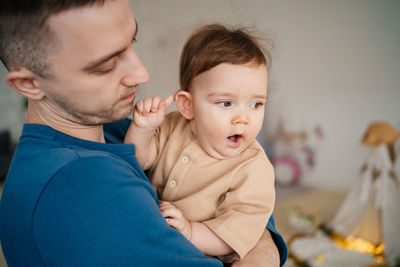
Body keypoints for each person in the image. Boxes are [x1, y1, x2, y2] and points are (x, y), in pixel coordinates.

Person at [0, 0, 287, 266]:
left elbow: (254, 208)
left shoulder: (111, 129)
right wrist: (261, 247)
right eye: (107, 63)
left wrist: (261, 237)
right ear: (29, 85)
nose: (142, 73)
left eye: (131, 42)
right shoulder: (81, 186)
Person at [125, 24, 276, 264]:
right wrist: (142, 129)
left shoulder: (253, 169)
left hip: (204, 255)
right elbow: (137, 161)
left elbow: (237, 235)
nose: (243, 118)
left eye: (256, 104)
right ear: (188, 105)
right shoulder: (171, 126)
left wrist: (191, 231)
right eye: (226, 103)